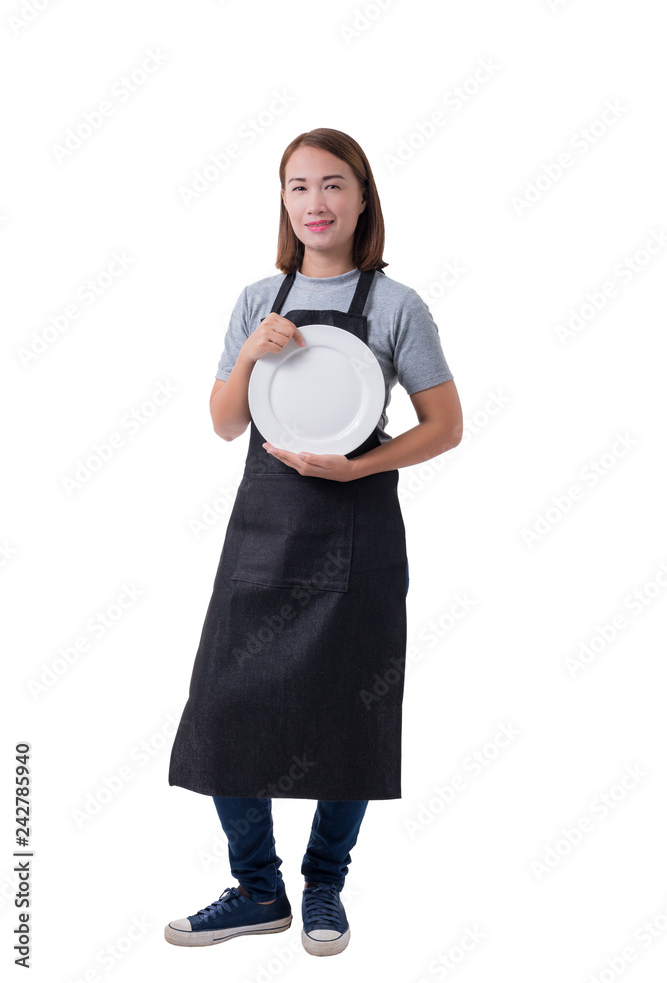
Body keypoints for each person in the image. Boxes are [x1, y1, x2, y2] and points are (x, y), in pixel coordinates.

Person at [166, 128, 463, 956]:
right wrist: (250, 356)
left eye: (332, 185)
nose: (315, 203)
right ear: (284, 202)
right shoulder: (256, 301)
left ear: (362, 197)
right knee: (226, 709)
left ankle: (323, 885)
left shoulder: (398, 306)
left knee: (350, 709)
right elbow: (226, 425)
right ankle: (257, 889)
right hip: (263, 526)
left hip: (357, 525)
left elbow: (445, 427)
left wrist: (355, 469)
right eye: (298, 187)